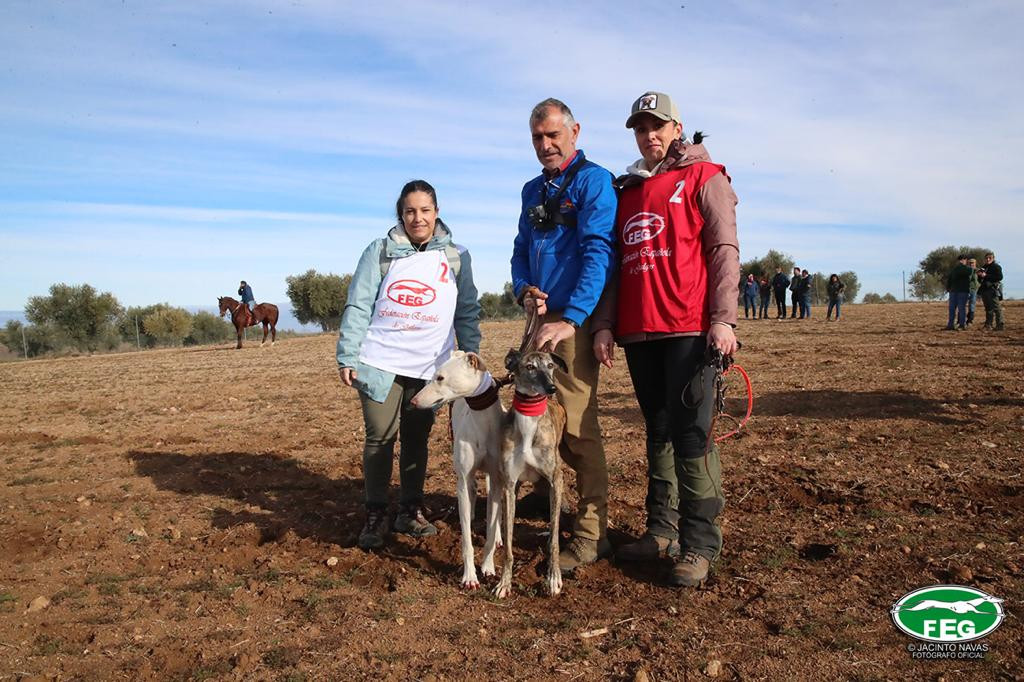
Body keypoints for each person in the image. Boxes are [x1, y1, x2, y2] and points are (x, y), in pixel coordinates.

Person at [592, 91, 739, 587]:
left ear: (678, 128)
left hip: (688, 327)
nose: (648, 135)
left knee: (692, 433)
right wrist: (606, 324)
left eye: (657, 125)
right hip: (639, 330)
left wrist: (724, 319)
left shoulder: (706, 176)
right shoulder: (626, 190)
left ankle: (699, 543)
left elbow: (724, 249)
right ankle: (660, 528)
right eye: (640, 128)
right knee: (656, 430)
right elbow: (614, 265)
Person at [337, 180, 481, 550]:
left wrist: (471, 355)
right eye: (410, 211)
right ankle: (375, 512)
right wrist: (348, 355)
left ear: (437, 213)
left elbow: (466, 311)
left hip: (430, 369)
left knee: (417, 439)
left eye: (425, 210)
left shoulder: (456, 256)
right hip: (380, 361)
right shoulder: (381, 251)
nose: (418, 218)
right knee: (380, 438)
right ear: (401, 215)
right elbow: (358, 303)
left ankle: (409, 510)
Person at [511, 98, 617, 572]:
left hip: (571, 321)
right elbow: (520, 251)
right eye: (537, 137)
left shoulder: (594, 181)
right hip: (539, 317)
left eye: (553, 135)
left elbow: (598, 253)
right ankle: (539, 490)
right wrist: (523, 290)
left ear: (575, 130)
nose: (546, 144)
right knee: (530, 410)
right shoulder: (532, 189)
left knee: (576, 425)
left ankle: (593, 532)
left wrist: (571, 318)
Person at [977, 252, 1005, 330]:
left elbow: (999, 277)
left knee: (996, 308)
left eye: (990, 258)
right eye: (986, 258)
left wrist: (986, 275)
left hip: (992, 289)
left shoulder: (996, 267)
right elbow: (980, 280)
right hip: (984, 290)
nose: (988, 259)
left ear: (993, 259)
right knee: (988, 308)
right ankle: (988, 325)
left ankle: (1000, 325)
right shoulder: (984, 267)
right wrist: (979, 276)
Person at [945, 254, 972, 331]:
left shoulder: (955, 269)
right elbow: (969, 272)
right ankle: (959, 325)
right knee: (960, 308)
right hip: (960, 291)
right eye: (962, 259)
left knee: (954, 308)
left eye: (964, 259)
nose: (963, 261)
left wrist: (948, 288)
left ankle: (954, 325)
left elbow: (949, 279)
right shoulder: (966, 269)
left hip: (956, 291)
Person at [966, 257, 980, 326]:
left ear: (975, 263)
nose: (971, 264)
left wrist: (978, 285)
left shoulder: (978, 271)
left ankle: (970, 320)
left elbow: (980, 279)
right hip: (966, 289)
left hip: (974, 289)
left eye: (973, 263)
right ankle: (960, 320)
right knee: (963, 305)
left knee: (972, 304)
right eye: (970, 263)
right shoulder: (966, 270)